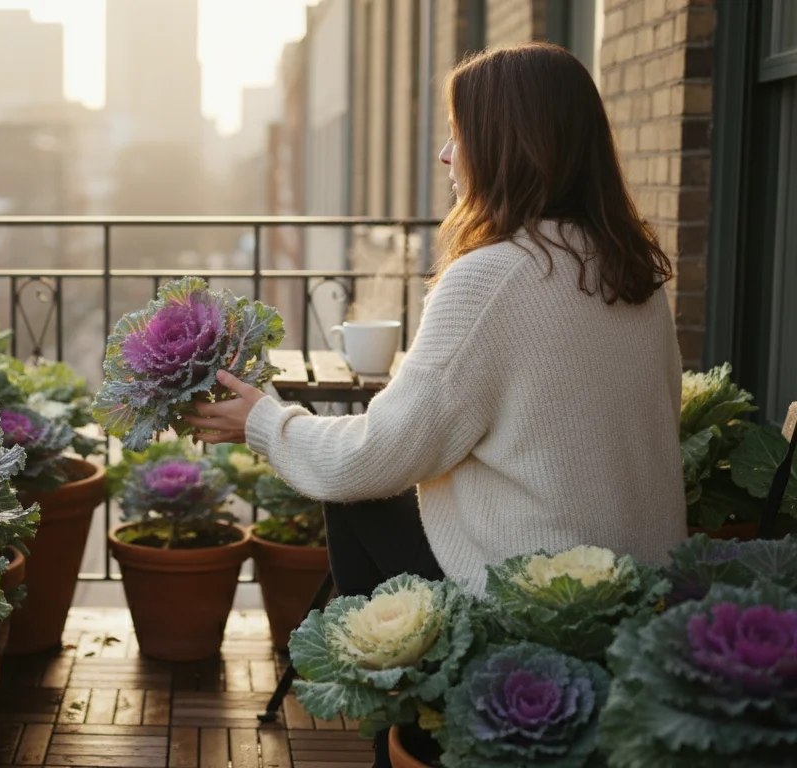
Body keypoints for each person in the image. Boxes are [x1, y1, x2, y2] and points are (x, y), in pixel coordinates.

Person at [188, 41, 687, 603]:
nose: (447, 154)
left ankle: (383, 675)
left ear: (508, 144)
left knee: (356, 497)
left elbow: (373, 458)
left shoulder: (492, 277)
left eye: (460, 132)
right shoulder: (632, 268)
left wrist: (266, 423)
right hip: (647, 588)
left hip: (545, 601)